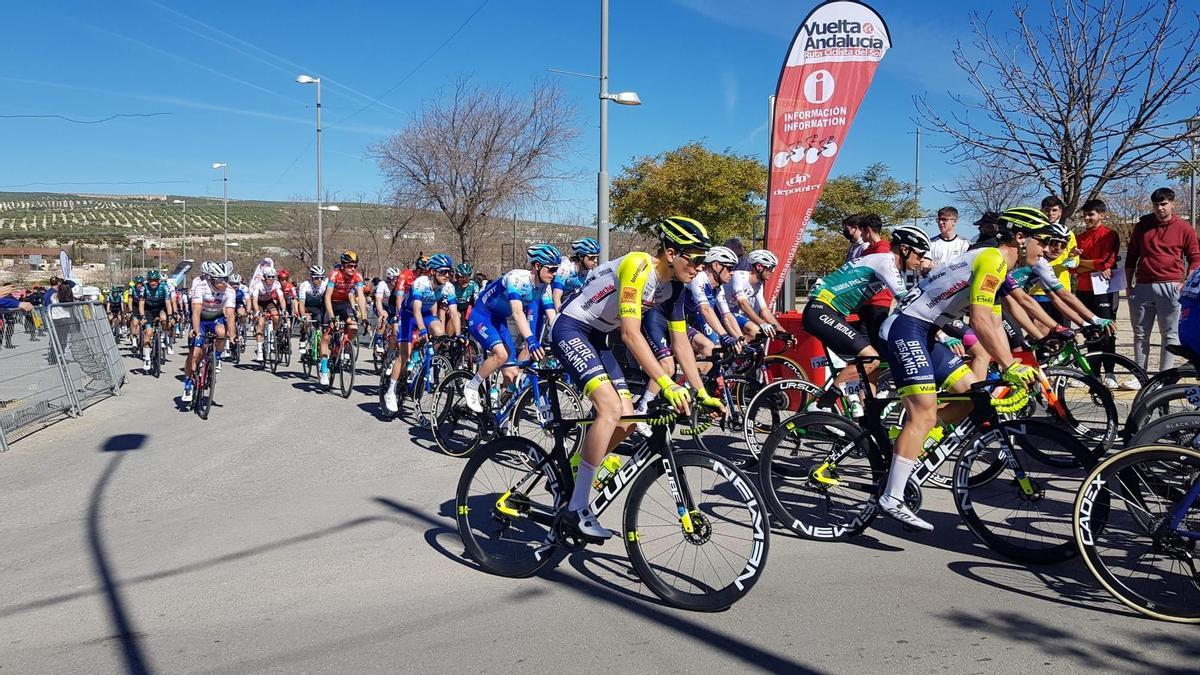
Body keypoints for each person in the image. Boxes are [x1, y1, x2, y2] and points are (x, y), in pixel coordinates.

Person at [551, 216, 722, 540]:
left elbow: (681, 343)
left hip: (598, 338)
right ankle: (576, 509)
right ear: (671, 253)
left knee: (629, 418)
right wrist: (668, 383)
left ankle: (579, 464)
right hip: (571, 328)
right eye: (696, 258)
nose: (701, 267)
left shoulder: (674, 288)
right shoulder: (638, 266)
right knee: (610, 408)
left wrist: (700, 392)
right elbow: (630, 334)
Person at [878, 206, 1045, 531]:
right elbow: (980, 320)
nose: (1049, 249)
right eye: (1044, 240)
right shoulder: (993, 259)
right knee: (923, 414)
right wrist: (1009, 366)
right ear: (1021, 238)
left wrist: (1015, 356)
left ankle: (913, 442)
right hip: (906, 327)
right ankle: (893, 496)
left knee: (974, 395)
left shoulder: (994, 262)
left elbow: (994, 323)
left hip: (925, 330)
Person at [805, 226, 930, 414]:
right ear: (904, 249)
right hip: (821, 310)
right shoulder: (886, 262)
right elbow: (905, 300)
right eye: (920, 255)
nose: (921, 260)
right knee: (871, 359)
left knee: (872, 368)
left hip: (831, 312)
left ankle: (869, 415)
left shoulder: (885, 262)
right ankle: (821, 405)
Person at [457, 246, 560, 415]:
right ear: (537, 266)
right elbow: (518, 313)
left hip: (499, 321)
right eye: (551, 269)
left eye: (557, 269)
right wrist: (531, 339)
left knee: (512, 374)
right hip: (482, 317)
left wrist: (560, 339)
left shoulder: (544, 287)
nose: (554, 273)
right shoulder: (516, 279)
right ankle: (472, 385)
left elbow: (552, 316)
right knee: (502, 355)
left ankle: (502, 416)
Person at [1125, 187, 1200, 374]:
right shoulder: (1142, 226)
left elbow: (1195, 258)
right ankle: (1140, 375)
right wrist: (1128, 284)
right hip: (1143, 286)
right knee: (1141, 334)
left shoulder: (1184, 228)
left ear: (1172, 203)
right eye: (1156, 204)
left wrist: (1186, 282)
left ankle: (1164, 376)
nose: (1160, 208)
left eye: (1164, 204)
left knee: (1169, 334)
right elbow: (1131, 256)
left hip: (1171, 285)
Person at [382, 253, 460, 412]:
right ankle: (390, 390)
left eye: (449, 272)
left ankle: (427, 361)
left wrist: (458, 335)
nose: (447, 275)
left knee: (440, 333)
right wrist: (422, 329)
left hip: (427, 315)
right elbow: (416, 309)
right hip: (408, 315)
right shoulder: (420, 283)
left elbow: (454, 313)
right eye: (442, 272)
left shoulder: (449, 287)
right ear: (432, 272)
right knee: (405, 355)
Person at [1073, 199, 1122, 387]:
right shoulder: (1078, 238)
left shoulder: (1110, 235)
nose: (1087, 218)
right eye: (1085, 215)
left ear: (1101, 215)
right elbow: (1072, 267)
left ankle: (1110, 372)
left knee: (1107, 328)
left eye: (1091, 214)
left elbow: (1106, 263)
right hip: (1084, 289)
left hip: (1105, 288)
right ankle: (1093, 373)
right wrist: (1090, 265)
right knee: (1090, 330)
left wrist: (1083, 262)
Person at [182, 262, 237, 402]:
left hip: (215, 319)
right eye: (220, 280)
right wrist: (195, 330)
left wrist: (233, 334)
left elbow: (230, 315)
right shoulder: (201, 287)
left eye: (226, 279)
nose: (224, 282)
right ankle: (188, 382)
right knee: (194, 354)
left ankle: (216, 357)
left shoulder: (230, 291)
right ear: (211, 278)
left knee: (222, 333)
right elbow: (196, 311)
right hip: (200, 319)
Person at [320, 252, 369, 385]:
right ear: (343, 266)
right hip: (329, 303)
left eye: (355, 266)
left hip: (343, 305)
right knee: (326, 336)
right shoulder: (335, 275)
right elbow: (327, 297)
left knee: (353, 327)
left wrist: (364, 318)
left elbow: (361, 297)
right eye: (349, 266)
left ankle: (344, 345)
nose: (353, 268)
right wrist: (331, 317)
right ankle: (324, 370)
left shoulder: (357, 277)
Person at [724, 249, 784, 339]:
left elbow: (764, 311)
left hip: (732, 312)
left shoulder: (758, 285)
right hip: (719, 310)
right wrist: (763, 323)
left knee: (757, 334)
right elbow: (743, 304)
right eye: (771, 267)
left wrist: (782, 331)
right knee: (753, 329)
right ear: (759, 266)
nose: (773, 271)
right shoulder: (739, 276)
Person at [138, 269, 174, 370]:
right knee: (149, 333)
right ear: (148, 281)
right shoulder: (144, 288)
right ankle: (147, 359)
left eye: (155, 280)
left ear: (158, 281)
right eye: (151, 280)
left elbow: (168, 303)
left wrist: (170, 315)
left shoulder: (164, 287)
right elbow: (141, 303)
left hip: (160, 308)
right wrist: (142, 316)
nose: (153, 283)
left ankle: (162, 338)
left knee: (164, 318)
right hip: (148, 310)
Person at [248, 267, 286, 362]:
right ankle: (260, 349)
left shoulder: (276, 284)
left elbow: (281, 298)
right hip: (259, 303)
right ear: (264, 277)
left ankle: (273, 334)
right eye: (269, 277)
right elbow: (255, 301)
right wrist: (257, 311)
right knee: (261, 322)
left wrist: (284, 309)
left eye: (273, 277)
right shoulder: (258, 285)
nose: (271, 279)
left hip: (268, 301)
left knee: (276, 316)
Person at [552, 237, 601, 309]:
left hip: (567, 301)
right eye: (592, 258)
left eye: (596, 257)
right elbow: (556, 296)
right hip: (552, 301)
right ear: (581, 256)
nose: (595, 261)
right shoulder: (565, 268)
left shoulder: (589, 272)